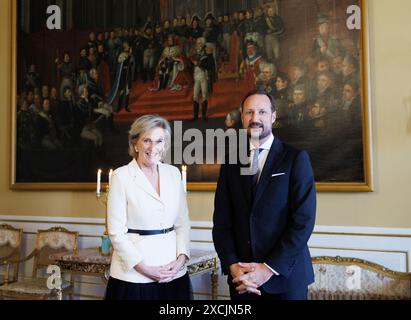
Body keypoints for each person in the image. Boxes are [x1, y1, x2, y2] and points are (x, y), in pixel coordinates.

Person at [212, 90, 317, 300]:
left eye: (261, 111)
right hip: (243, 281)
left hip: (285, 279)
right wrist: (232, 265)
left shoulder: (295, 158)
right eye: (249, 112)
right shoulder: (231, 162)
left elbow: (303, 221)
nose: (255, 118)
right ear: (242, 118)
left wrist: (268, 269)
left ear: (273, 116)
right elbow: (222, 222)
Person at [105, 115, 192, 300]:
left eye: (159, 141)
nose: (153, 148)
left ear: (165, 145)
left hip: (173, 273)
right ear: (135, 144)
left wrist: (181, 260)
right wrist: (144, 268)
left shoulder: (173, 174)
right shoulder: (121, 176)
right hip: (134, 276)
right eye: (147, 140)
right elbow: (115, 232)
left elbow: (183, 223)